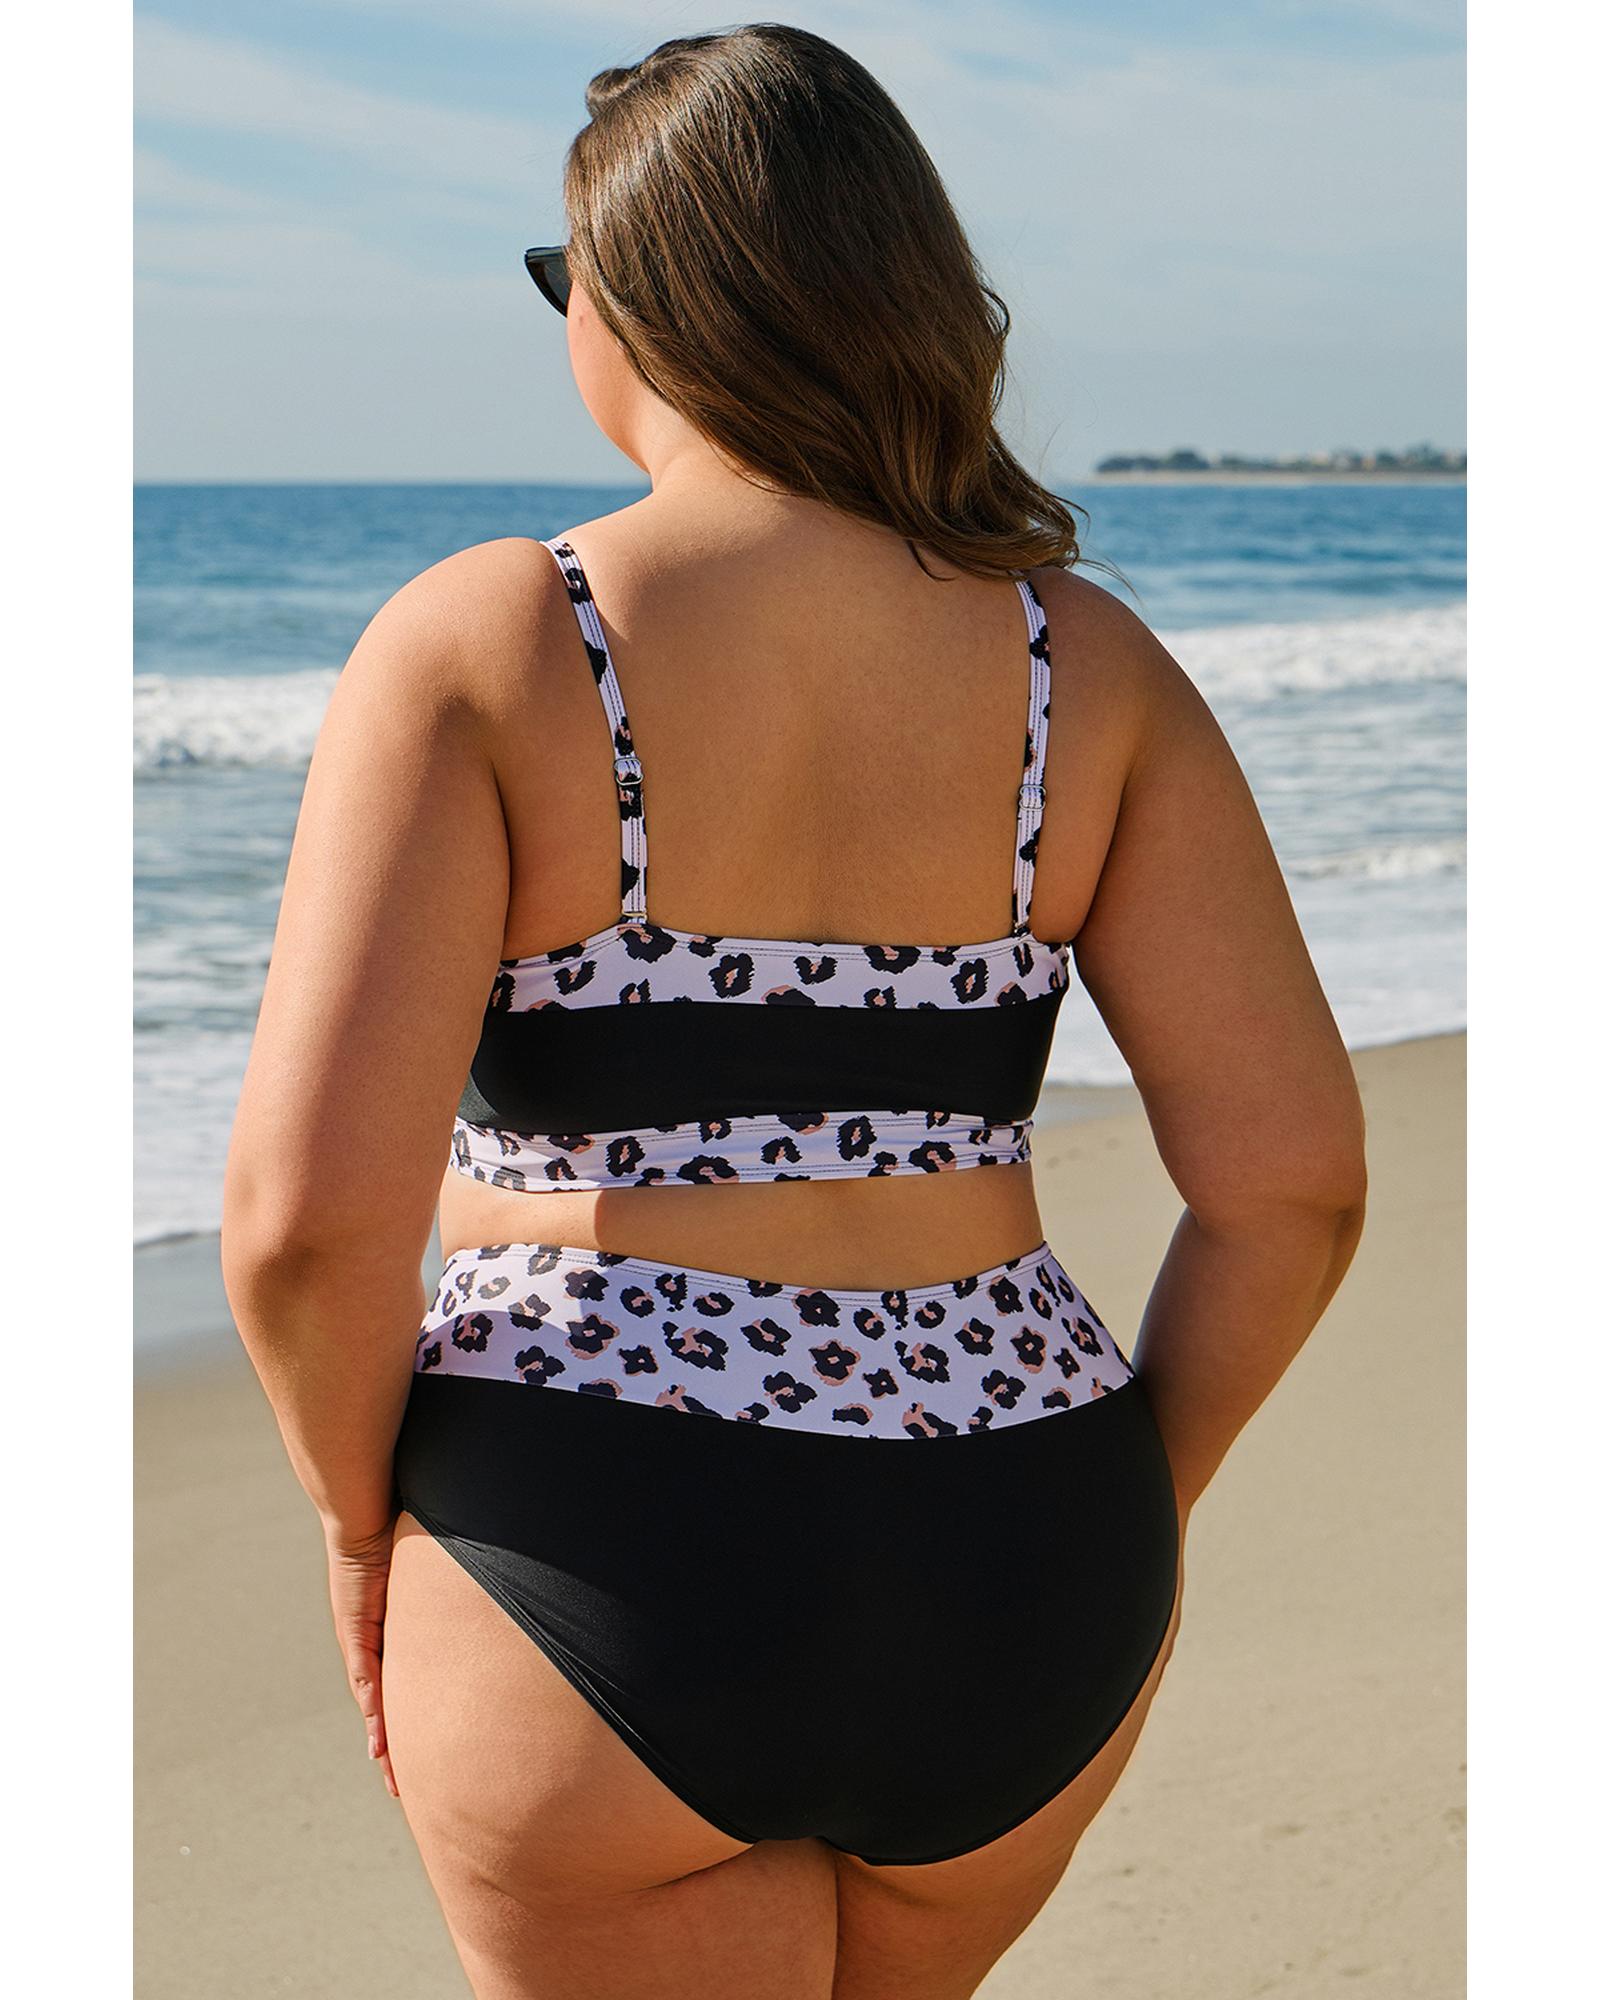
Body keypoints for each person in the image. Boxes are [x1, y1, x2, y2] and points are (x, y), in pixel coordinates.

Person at [221, 23, 1367, 2000]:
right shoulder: (1084, 668)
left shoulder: (499, 637)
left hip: (597, 1512)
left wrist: (357, 1522)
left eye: (562, 279)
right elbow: (1296, 1186)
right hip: (1026, 1525)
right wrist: (1116, 1499)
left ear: (637, 296)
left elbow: (307, 1227)